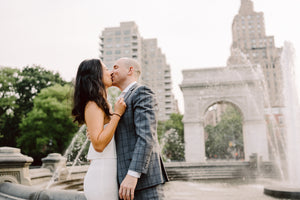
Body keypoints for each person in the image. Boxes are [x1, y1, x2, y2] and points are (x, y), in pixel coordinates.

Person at [111, 57, 169, 200]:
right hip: (124, 184)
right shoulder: (120, 100)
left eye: (116, 67)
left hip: (143, 182)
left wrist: (133, 174)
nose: (112, 72)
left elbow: (146, 136)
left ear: (130, 70)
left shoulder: (141, 92)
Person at [71, 59, 126, 200]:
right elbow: (99, 145)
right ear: (96, 75)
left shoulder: (103, 102)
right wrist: (117, 114)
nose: (110, 72)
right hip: (102, 176)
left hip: (108, 171)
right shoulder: (93, 104)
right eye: (106, 69)